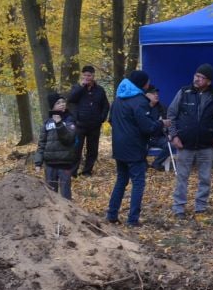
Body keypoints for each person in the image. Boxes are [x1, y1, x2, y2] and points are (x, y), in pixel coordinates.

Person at [166, 64, 213, 219]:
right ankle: (179, 208)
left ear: (209, 81)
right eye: (196, 75)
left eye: (202, 77)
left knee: (205, 177)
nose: (197, 79)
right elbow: (171, 114)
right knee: (182, 177)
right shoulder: (184, 92)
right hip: (184, 143)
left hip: (206, 144)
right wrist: (173, 136)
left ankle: (201, 206)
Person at [105, 70, 160, 227]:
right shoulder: (139, 101)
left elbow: (111, 120)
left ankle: (112, 214)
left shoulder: (118, 100)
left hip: (119, 147)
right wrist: (161, 124)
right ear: (142, 83)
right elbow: (147, 127)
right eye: (147, 82)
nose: (149, 85)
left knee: (121, 180)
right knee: (138, 183)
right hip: (134, 148)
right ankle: (133, 219)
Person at [66, 64, 110, 176]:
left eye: (89, 75)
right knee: (76, 149)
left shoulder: (100, 90)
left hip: (94, 125)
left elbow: (106, 105)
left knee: (92, 150)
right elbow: (71, 99)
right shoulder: (77, 88)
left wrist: (101, 118)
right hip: (79, 124)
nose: (87, 77)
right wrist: (81, 87)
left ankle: (87, 171)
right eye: (85, 75)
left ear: (93, 76)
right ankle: (73, 172)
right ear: (82, 76)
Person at [37, 92, 78, 198]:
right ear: (53, 106)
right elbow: (42, 143)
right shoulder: (47, 123)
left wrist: (59, 124)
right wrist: (38, 162)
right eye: (58, 103)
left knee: (65, 194)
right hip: (50, 164)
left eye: (63, 102)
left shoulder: (70, 120)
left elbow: (68, 139)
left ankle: (68, 213)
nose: (62, 104)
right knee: (51, 194)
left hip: (65, 163)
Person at [145, 86, 171, 171]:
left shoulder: (162, 108)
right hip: (145, 137)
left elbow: (170, 123)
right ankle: (143, 164)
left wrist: (170, 133)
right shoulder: (142, 108)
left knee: (170, 144)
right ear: (146, 95)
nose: (156, 95)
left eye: (157, 94)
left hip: (159, 137)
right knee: (139, 145)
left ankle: (157, 163)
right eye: (153, 94)